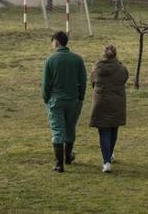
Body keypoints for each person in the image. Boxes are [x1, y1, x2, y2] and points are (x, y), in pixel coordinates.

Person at [42, 31, 86, 173]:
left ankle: (59, 164)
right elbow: (82, 81)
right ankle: (68, 156)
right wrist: (80, 98)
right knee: (70, 128)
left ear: (56, 42)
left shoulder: (50, 60)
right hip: (73, 100)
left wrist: (46, 99)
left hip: (56, 101)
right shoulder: (78, 59)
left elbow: (46, 84)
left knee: (57, 130)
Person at [90, 43, 128, 173]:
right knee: (113, 129)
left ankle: (106, 161)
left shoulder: (96, 68)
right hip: (117, 103)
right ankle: (109, 155)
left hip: (101, 103)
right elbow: (124, 80)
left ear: (103, 55)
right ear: (116, 54)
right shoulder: (122, 69)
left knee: (104, 132)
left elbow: (93, 83)